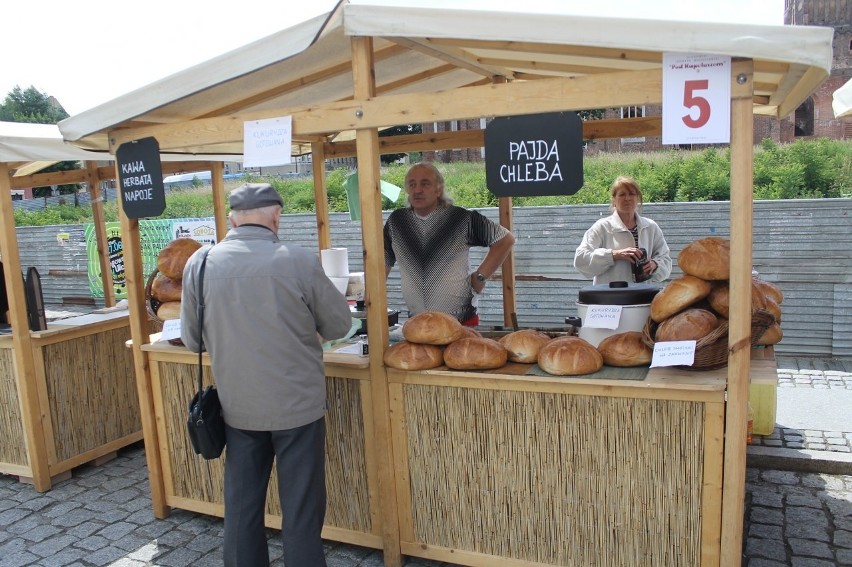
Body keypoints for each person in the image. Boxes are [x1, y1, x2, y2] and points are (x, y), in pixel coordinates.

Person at [180, 183, 352, 567]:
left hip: (237, 405)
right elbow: (340, 324)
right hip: (297, 407)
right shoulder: (297, 259)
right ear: (276, 217)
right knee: (302, 510)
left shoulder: (200, 262)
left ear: (231, 219)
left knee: (241, 507)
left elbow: (193, 340)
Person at [383, 161, 515, 325]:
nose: (417, 190)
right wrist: (373, 302)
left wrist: (480, 277)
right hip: (419, 323)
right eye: (412, 184)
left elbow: (505, 239)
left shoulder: (461, 218)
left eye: (425, 184)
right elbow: (383, 262)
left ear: (438, 189)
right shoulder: (397, 222)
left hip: (461, 322)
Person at [573, 175, 671, 285]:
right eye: (622, 194)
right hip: (611, 298)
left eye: (632, 194)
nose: (627, 198)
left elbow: (666, 261)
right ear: (614, 199)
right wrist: (614, 255)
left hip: (642, 298)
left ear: (638, 198)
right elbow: (580, 260)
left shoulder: (651, 227)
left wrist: (655, 265)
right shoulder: (602, 227)